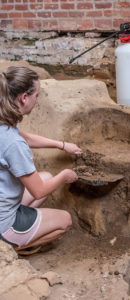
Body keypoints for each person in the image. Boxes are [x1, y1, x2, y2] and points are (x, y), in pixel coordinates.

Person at [0, 66, 82, 254]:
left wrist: (61, 145)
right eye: (36, 95)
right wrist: (64, 175)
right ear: (24, 97)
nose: (37, 100)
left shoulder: (3, 125)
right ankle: (8, 248)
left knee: (45, 176)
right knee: (64, 220)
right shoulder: (14, 145)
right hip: (3, 221)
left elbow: (25, 138)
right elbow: (38, 192)